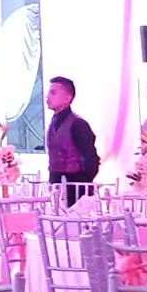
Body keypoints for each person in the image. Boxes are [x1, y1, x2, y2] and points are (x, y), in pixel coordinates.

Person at [44, 74, 99, 204]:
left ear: (67, 98)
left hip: (76, 186)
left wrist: (83, 183)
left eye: (53, 93)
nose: (48, 97)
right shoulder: (53, 122)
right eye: (49, 93)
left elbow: (91, 160)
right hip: (56, 183)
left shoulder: (78, 124)